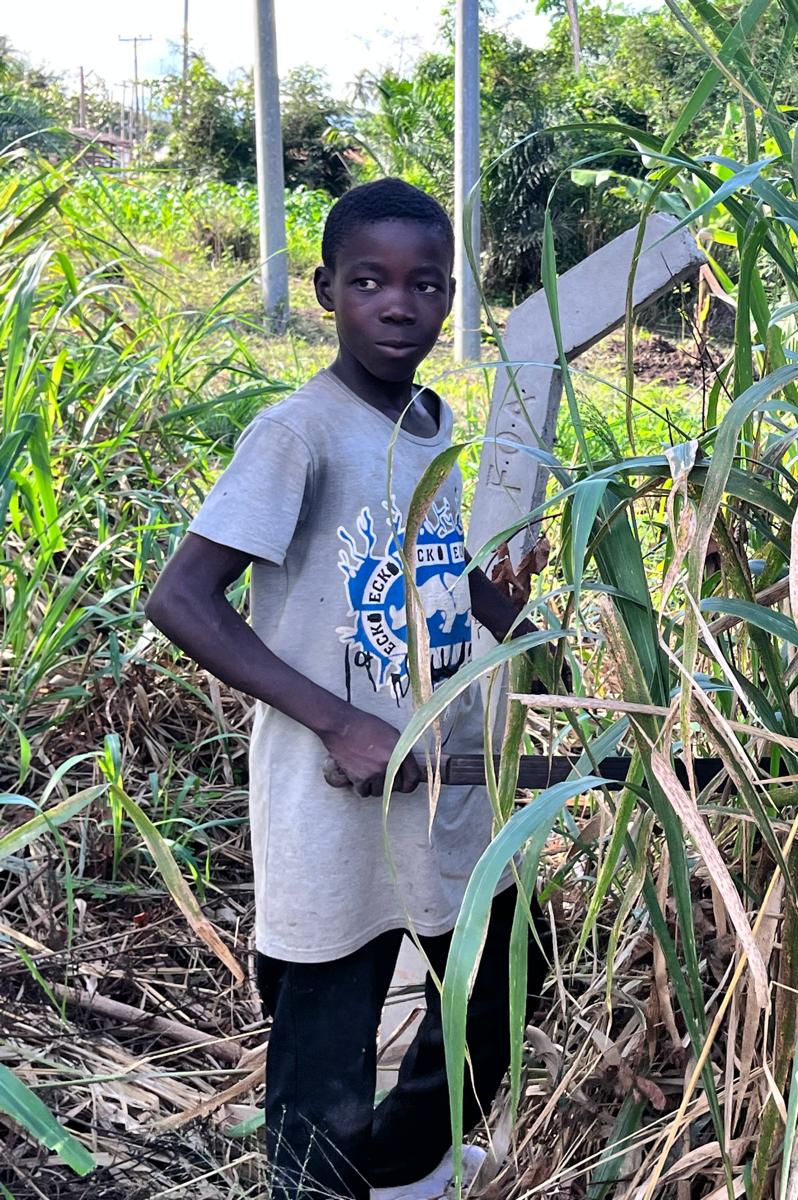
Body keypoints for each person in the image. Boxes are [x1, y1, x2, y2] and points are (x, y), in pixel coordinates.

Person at [147, 178, 550, 1200]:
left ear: (450, 297)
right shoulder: (300, 433)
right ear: (327, 290)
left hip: (440, 784)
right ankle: (320, 1183)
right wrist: (338, 720)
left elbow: (419, 562)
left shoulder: (426, 422)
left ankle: (403, 1161)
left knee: (504, 977)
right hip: (335, 798)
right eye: (368, 280)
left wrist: (501, 610)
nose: (397, 303)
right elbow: (183, 598)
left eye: (423, 283)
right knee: (328, 1031)